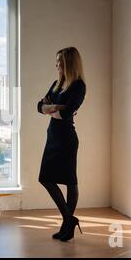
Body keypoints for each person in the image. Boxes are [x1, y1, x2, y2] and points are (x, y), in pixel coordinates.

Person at [37, 47, 87, 242]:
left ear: (68, 64)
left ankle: (67, 224)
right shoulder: (57, 84)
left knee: (70, 181)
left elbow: (64, 114)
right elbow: (39, 106)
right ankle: (69, 220)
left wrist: (52, 108)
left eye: (59, 62)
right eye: (56, 61)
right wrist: (52, 108)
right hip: (53, 137)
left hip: (66, 139)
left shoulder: (78, 86)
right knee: (45, 178)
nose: (56, 65)